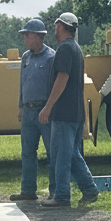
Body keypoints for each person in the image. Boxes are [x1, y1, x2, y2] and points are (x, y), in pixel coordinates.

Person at [38, 12, 99, 207]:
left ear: (61, 26)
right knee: (72, 154)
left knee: (61, 155)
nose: (54, 29)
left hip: (64, 113)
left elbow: (62, 78)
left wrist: (48, 107)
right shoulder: (75, 48)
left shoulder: (64, 49)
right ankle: (89, 189)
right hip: (76, 112)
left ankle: (62, 196)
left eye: (56, 26)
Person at [12, 18, 54, 202]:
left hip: (44, 109)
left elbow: (55, 86)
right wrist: (20, 106)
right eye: (24, 35)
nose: (25, 38)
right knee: (27, 152)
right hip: (28, 111)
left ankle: (55, 192)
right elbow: (22, 83)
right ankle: (28, 191)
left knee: (52, 152)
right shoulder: (25, 57)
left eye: (28, 35)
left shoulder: (52, 57)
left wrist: (49, 108)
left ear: (40, 36)